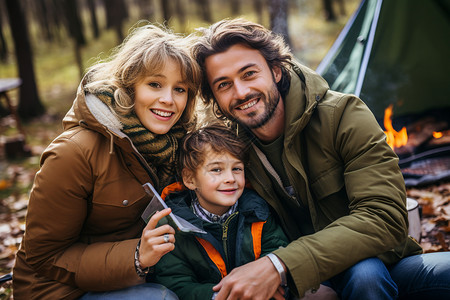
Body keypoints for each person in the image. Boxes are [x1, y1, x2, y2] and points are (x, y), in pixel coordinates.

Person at [192, 18, 450, 300]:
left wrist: (281, 265)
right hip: (293, 286)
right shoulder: (227, 150)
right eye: (224, 85)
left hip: (385, 264)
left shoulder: (343, 116)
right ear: (214, 97)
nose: (241, 92)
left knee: (367, 273)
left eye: (249, 74)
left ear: (276, 70)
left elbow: (384, 218)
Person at [12, 23, 201, 299]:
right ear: (128, 87)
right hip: (60, 291)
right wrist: (136, 256)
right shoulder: (74, 152)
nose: (168, 99)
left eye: (180, 89)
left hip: (136, 276)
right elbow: (45, 256)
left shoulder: (174, 146)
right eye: (154, 84)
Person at [153, 124, 290, 300]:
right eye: (216, 170)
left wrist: (270, 280)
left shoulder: (257, 211)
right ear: (190, 179)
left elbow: (278, 248)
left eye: (236, 169)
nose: (230, 179)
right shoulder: (172, 226)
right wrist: (228, 295)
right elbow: (175, 283)